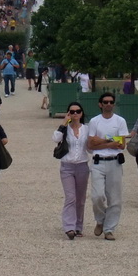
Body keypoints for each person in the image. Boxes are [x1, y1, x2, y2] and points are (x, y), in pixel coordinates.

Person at [86, 92, 128, 239]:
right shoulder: (94, 121)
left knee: (115, 198)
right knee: (97, 196)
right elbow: (90, 144)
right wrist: (110, 142)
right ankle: (101, 219)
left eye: (111, 102)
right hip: (98, 161)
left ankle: (109, 228)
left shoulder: (120, 121)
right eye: (105, 102)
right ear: (100, 104)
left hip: (115, 162)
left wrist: (101, 140)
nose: (108, 104)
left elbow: (121, 144)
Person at [53, 101, 89, 239]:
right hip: (67, 166)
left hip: (82, 165)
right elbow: (55, 138)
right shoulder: (65, 129)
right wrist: (64, 122)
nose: (75, 114)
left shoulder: (86, 129)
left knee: (80, 199)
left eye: (77, 111)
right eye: (72, 112)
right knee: (71, 197)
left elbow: (90, 146)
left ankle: (78, 226)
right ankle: (69, 227)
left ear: (81, 113)